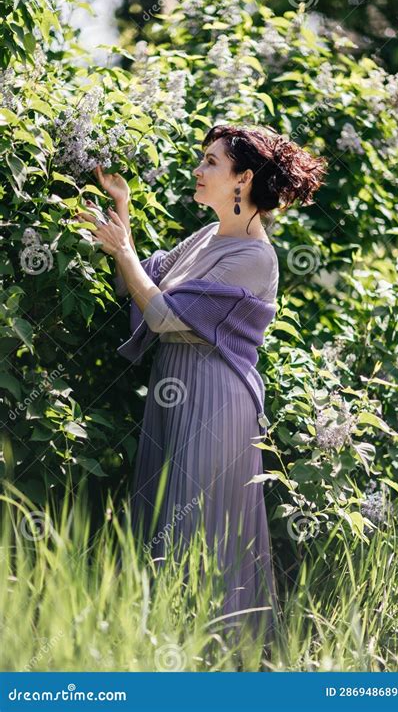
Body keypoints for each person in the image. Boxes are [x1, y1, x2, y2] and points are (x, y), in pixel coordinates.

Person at [73, 123, 328, 652]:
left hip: (215, 400)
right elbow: (140, 280)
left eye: (211, 161)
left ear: (243, 179)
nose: (199, 169)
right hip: (176, 387)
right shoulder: (210, 236)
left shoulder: (255, 258)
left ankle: (220, 660)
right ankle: (163, 650)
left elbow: (163, 315)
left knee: (200, 529)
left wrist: (122, 251)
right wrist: (121, 209)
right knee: (163, 519)